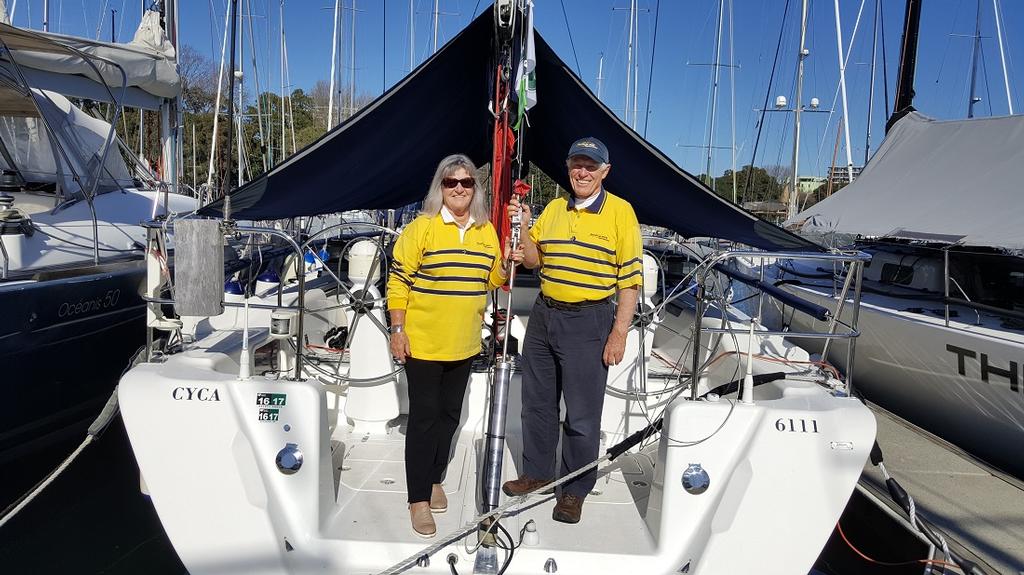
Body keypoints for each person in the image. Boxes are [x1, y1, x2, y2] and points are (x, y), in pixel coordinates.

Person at [502, 137, 642, 524]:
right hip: (545, 315)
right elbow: (532, 260)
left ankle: (575, 489)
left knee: (581, 414)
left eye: (590, 166)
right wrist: (526, 229)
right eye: (576, 164)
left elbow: (630, 281)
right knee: (536, 403)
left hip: (590, 320)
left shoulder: (621, 212)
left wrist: (619, 333)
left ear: (604, 172)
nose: (582, 172)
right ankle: (538, 474)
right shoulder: (554, 208)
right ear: (568, 168)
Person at [387, 154, 523, 538]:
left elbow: (490, 280)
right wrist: (398, 330)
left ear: (475, 188)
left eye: (466, 182)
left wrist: (508, 262)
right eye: (451, 182)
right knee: (425, 419)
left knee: (449, 418)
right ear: (440, 187)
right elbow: (397, 283)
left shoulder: (485, 232)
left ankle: (433, 478)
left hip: (464, 345)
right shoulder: (422, 228)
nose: (459, 188)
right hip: (424, 344)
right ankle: (418, 498)